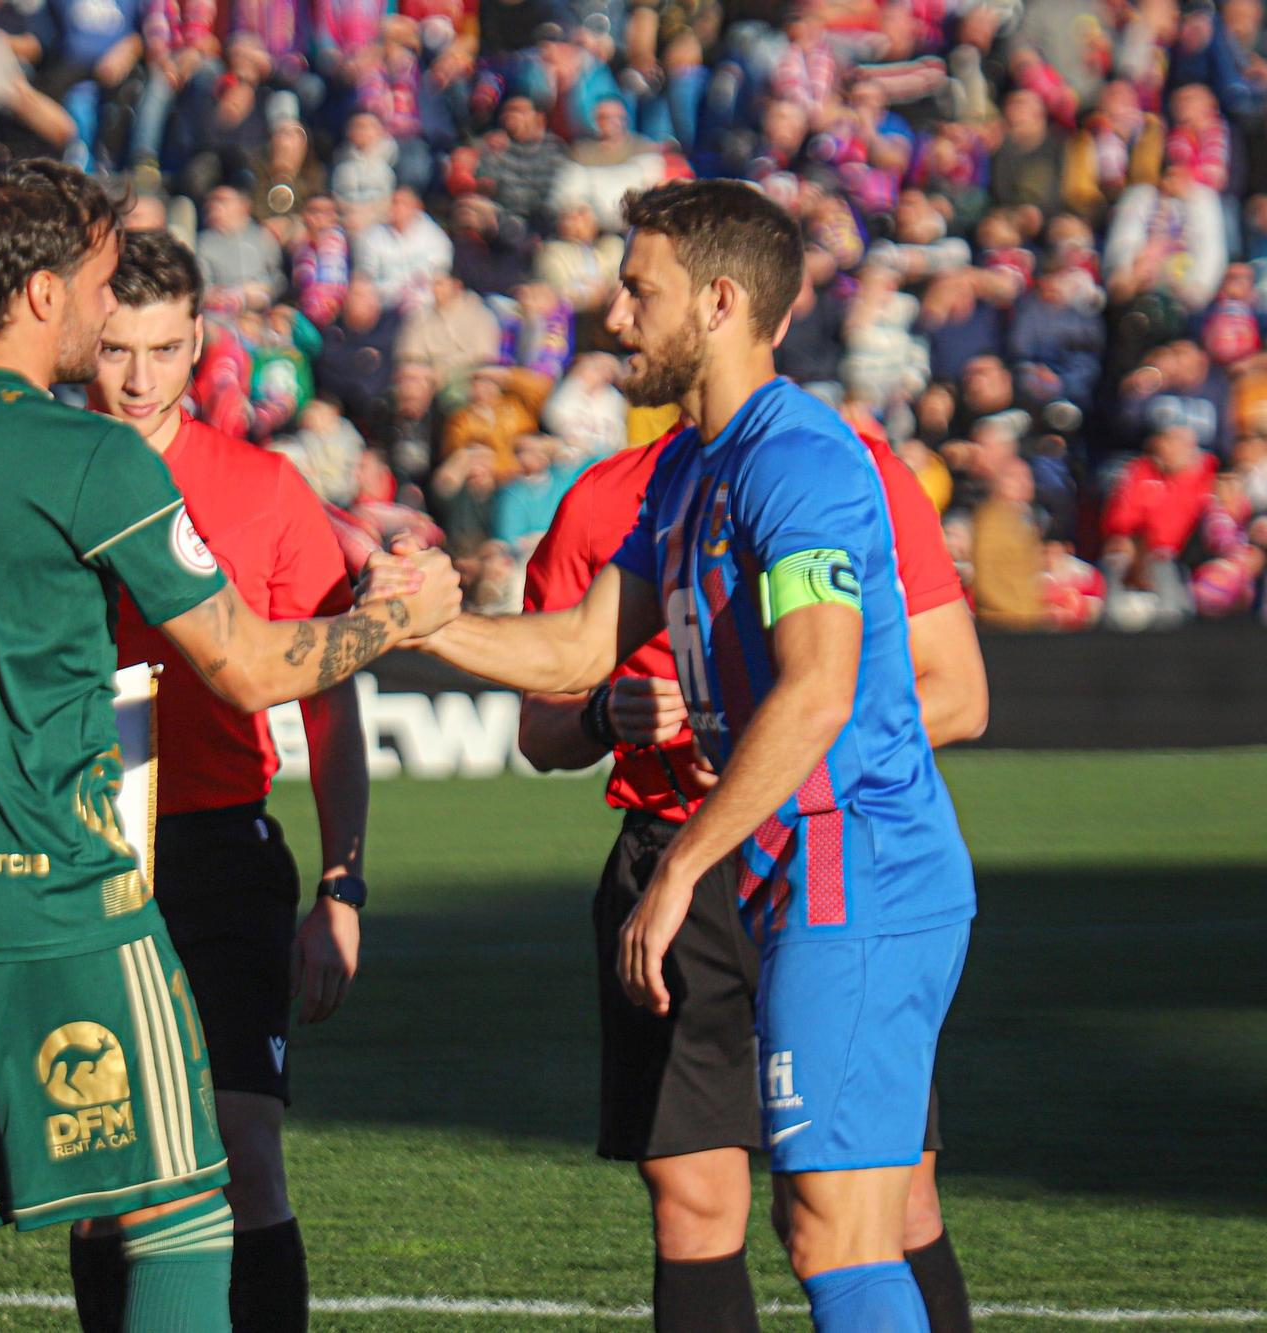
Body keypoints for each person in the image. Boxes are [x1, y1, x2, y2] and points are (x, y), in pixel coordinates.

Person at [0, 157, 458, 1333]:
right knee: (184, 1214)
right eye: (96, 281)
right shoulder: (92, 461)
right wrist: (402, 616)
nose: (108, 310)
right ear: (42, 293)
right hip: (68, 895)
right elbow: (245, 664)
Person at [372, 179, 977, 1331]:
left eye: (636, 290)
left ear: (713, 302)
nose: (612, 317)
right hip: (797, 877)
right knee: (822, 1232)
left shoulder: (796, 462)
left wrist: (683, 866)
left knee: (843, 1235)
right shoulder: (694, 468)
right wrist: (427, 625)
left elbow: (815, 692)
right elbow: (579, 647)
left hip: (854, 870)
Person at [517, 398, 987, 1329]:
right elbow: (542, 727)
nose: (622, 319)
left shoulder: (850, 471)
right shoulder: (605, 499)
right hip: (667, 871)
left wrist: (762, 752)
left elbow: (959, 696)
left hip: (828, 855)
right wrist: (604, 715)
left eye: (641, 293)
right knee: (693, 1209)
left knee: (884, 1208)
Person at [72, 229, 370, 1333]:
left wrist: (340, 887)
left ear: (198, 342)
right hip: (79, 856)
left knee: (243, 1146)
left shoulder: (264, 489)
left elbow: (328, 701)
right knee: (107, 1180)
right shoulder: (41, 476)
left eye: (161, 349)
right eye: (114, 350)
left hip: (219, 851)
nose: (140, 377)